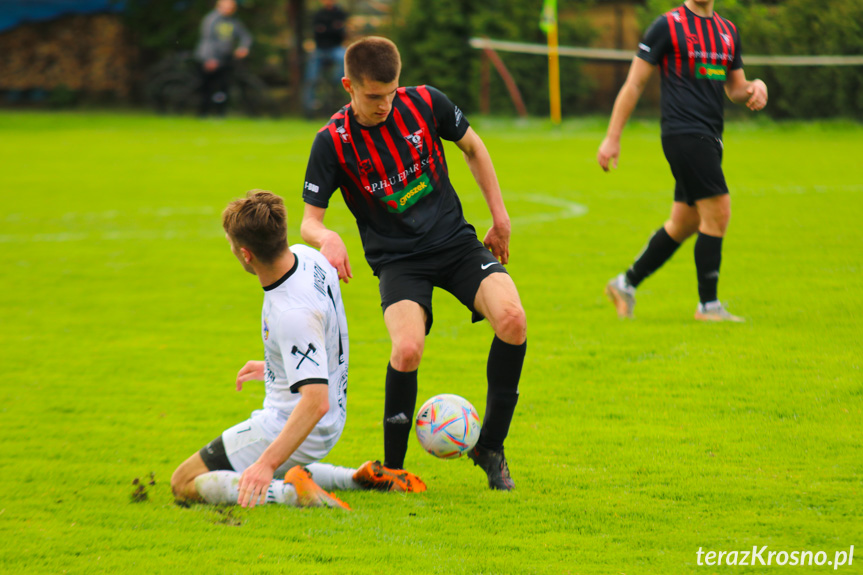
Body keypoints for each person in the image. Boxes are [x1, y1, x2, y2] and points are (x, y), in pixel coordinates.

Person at [300, 37, 527, 491]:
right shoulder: (332, 143)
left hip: (456, 244)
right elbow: (309, 221)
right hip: (399, 260)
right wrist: (329, 238)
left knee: (513, 319)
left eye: (390, 93)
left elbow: (474, 148)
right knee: (406, 350)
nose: (384, 104)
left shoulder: (424, 103)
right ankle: (393, 467)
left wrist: (500, 219)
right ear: (349, 86)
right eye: (372, 96)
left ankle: (491, 448)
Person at [171, 190, 426, 510]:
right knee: (242, 465)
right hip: (333, 409)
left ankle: (292, 493)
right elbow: (322, 336)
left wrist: (265, 464)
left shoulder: (290, 313)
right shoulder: (309, 257)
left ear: (246, 254)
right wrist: (277, 367)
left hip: (300, 421)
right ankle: (356, 477)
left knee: (184, 481)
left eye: (232, 245)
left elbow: (314, 402)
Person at [597, 0, 767, 322]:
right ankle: (708, 306)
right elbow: (634, 83)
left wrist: (756, 87)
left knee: (685, 221)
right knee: (718, 210)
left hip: (711, 137)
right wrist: (612, 136)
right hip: (683, 133)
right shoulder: (667, 26)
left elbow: (736, 89)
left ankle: (625, 283)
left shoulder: (728, 32)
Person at [194, 0, 253, 117]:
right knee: (207, 87)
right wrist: (210, 59)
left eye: (231, 7)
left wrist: (243, 47)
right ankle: (203, 114)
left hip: (225, 59)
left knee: (223, 87)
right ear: (219, 6)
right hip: (208, 58)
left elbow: (246, 36)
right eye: (226, 7)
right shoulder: (211, 19)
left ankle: (220, 114)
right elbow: (208, 40)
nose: (229, 9)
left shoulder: (233, 21)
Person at [303, 0, 348, 116]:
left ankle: (337, 82)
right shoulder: (318, 14)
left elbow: (341, 33)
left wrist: (325, 29)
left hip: (335, 48)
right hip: (320, 49)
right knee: (310, 77)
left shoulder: (340, 13)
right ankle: (310, 105)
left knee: (345, 58)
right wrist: (333, 29)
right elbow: (317, 33)